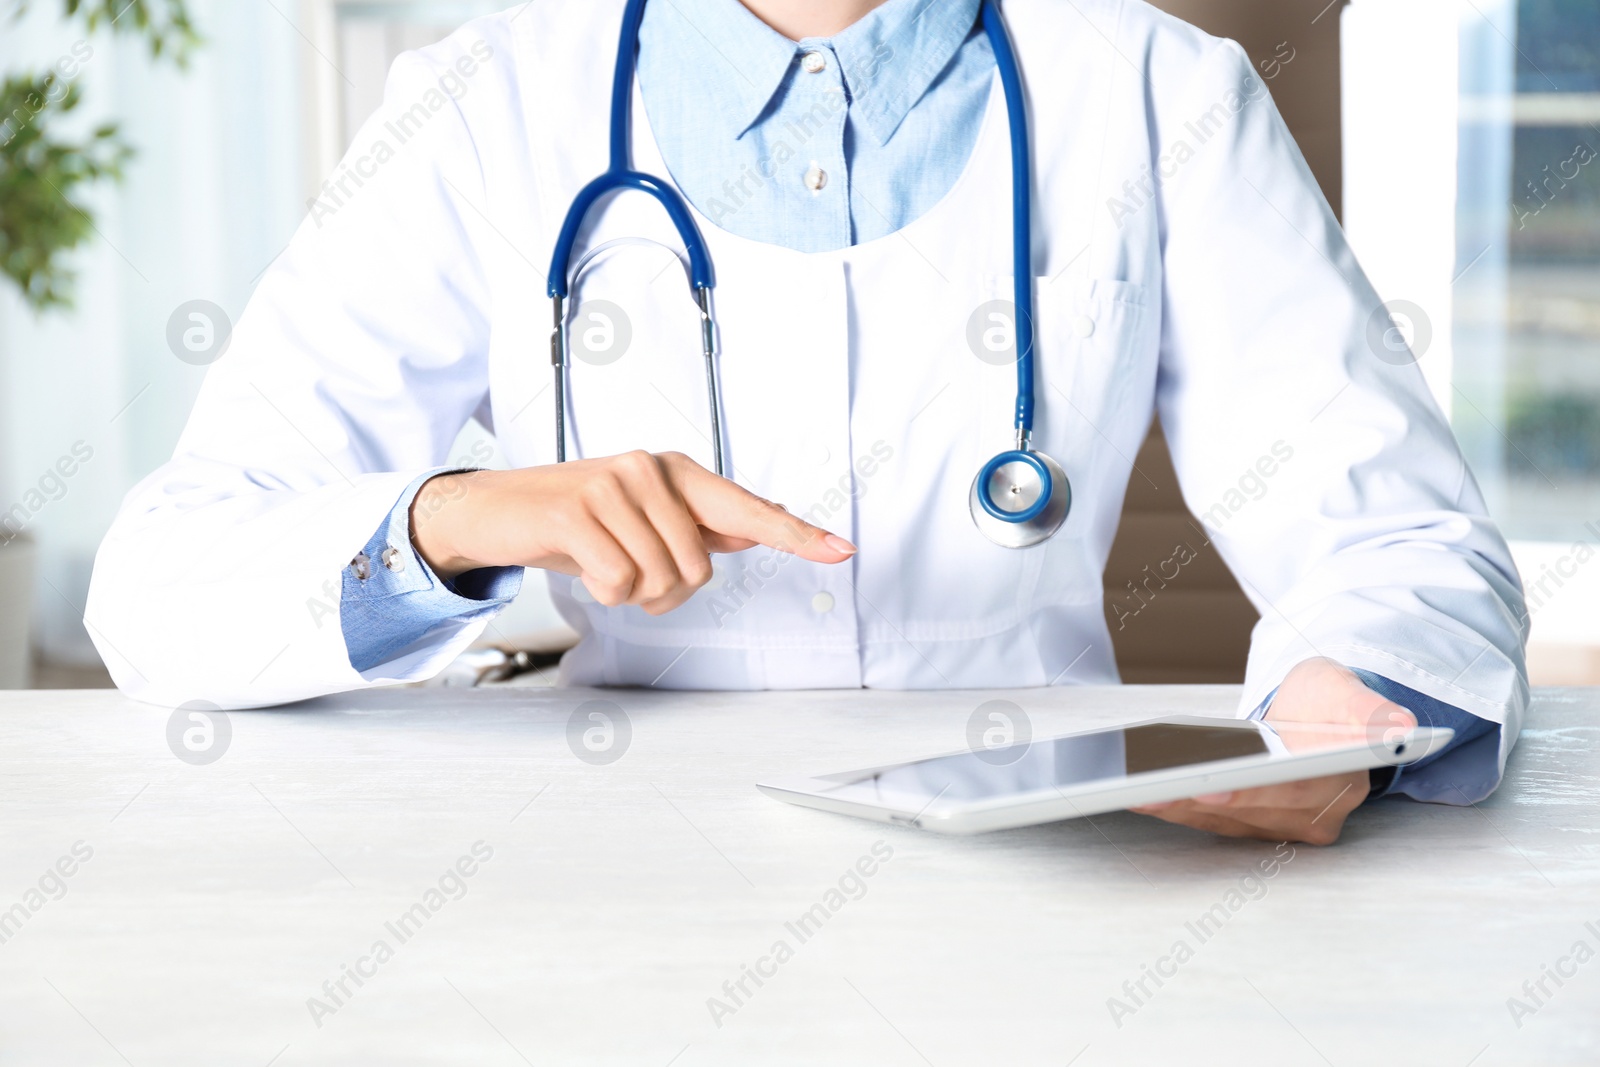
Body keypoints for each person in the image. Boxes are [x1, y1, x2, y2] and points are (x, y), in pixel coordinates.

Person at [85, 0, 1528, 845]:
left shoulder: (1153, 85)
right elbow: (160, 588)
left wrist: (1346, 706)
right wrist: (454, 519)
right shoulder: (483, 103)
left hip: (1058, 864)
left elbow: (1400, 535)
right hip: (612, 870)